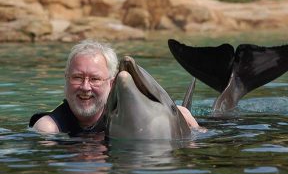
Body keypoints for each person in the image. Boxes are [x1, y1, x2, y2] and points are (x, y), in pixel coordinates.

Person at [29, 39, 201, 135]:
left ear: (111, 84)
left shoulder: (121, 114)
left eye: (95, 79)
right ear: (66, 80)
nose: (85, 87)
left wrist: (184, 121)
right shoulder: (49, 130)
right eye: (77, 78)